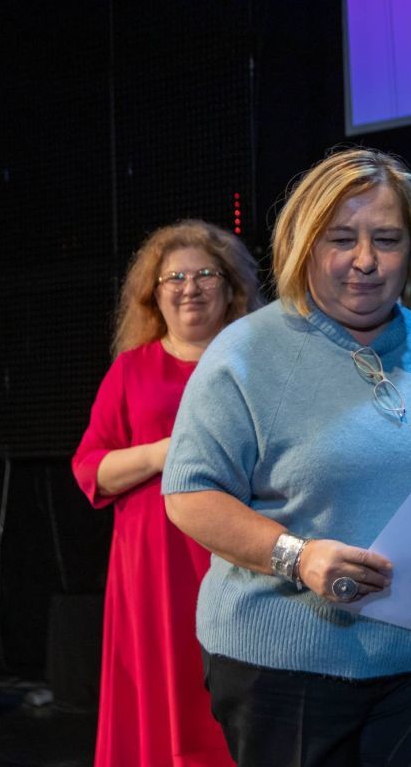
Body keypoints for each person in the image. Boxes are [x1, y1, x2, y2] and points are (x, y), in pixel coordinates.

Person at [161, 147, 411, 767]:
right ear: (304, 245)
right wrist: (299, 556)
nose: (365, 259)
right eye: (341, 239)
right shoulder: (245, 350)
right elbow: (190, 495)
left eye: (386, 239)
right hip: (287, 670)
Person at [72, 219, 263, 767]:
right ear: (153, 295)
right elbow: (91, 470)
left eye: (205, 274)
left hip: (236, 552)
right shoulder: (131, 369)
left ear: (231, 287)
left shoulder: (256, 365)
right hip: (153, 564)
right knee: (161, 686)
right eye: (174, 278)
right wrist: (165, 451)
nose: (189, 287)